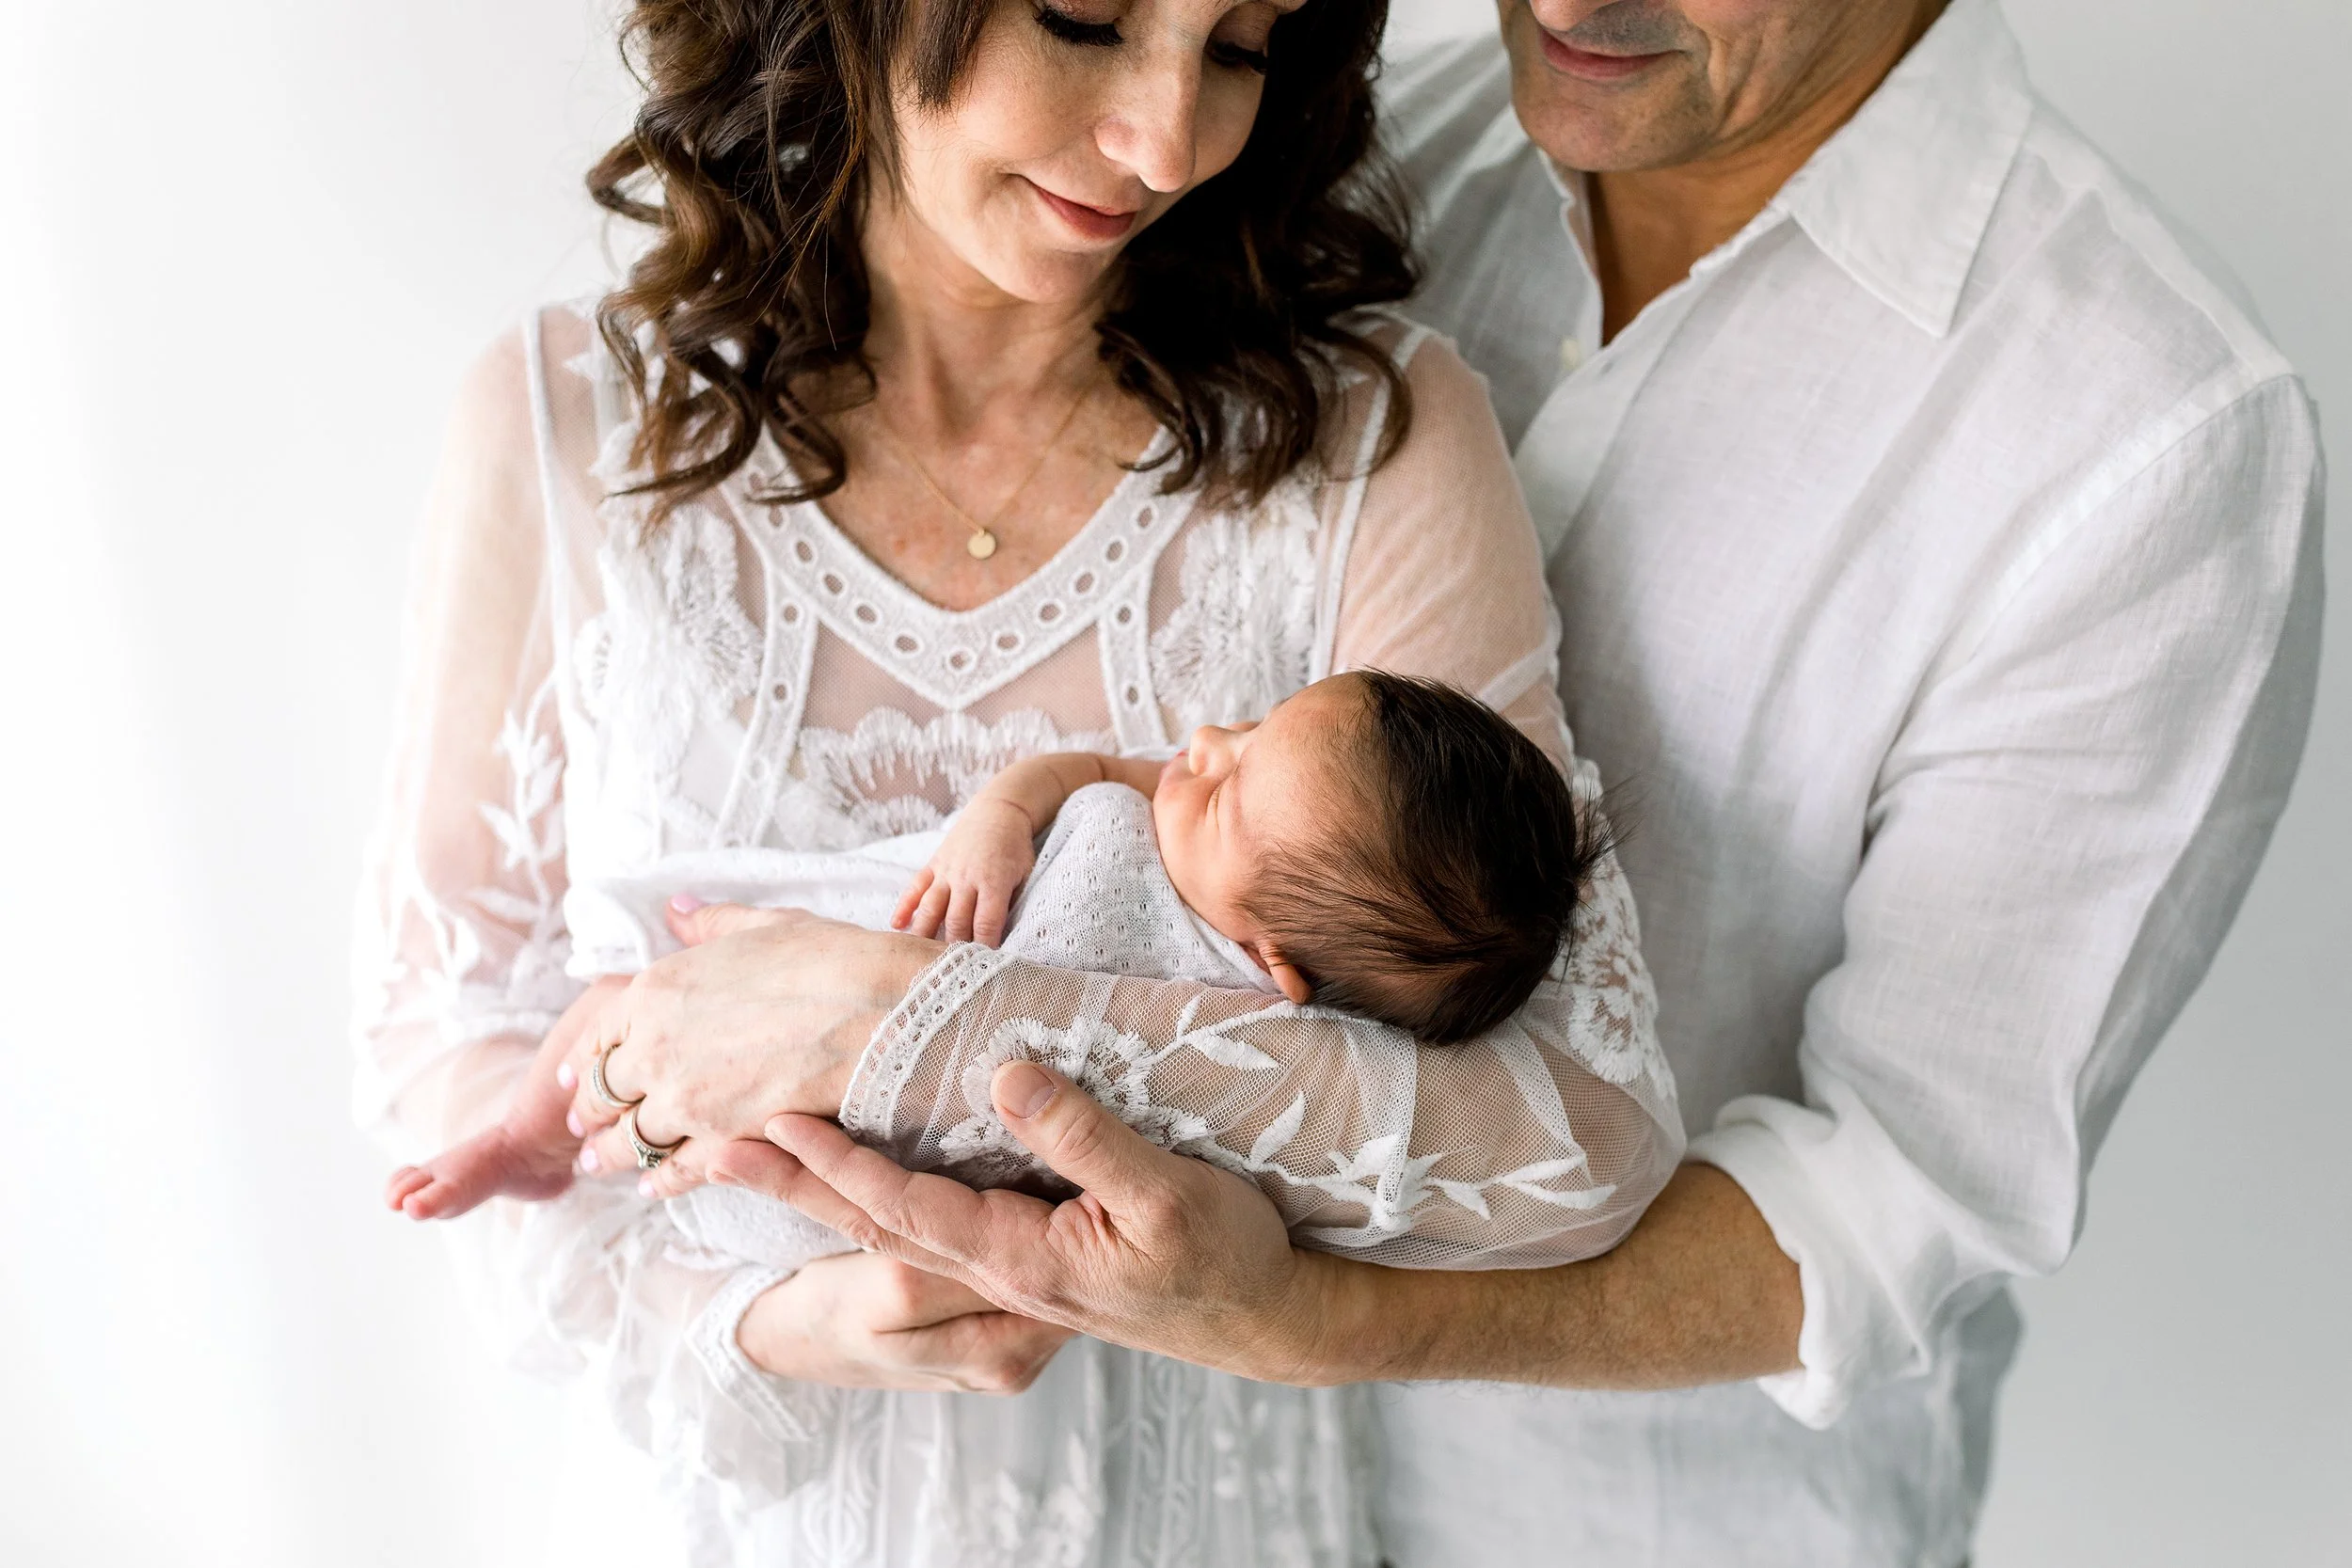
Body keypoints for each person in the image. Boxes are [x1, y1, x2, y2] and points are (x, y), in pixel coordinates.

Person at [608, 0, 2325, 1563]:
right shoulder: (1310, 178)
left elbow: (1896, 1190)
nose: (1568, 1)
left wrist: (1301, 1314)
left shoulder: (2150, 431)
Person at [354, 0, 1680, 1560]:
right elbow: (439, 1034)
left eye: (1243, 46)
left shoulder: (1372, 438)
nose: (1169, 137)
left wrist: (910, 1024)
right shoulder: (570, 418)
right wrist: (769, 1321)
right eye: (1086, 18)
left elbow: (1578, 1136)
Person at [383, 671, 1604, 1219]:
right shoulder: (1162, 808)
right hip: (876, 921)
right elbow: (1082, 767)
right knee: (629, 996)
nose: (1201, 746)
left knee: (740, 1145)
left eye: (1228, 789)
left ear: (1272, 960)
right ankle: (522, 1136)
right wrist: (1000, 817)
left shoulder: (1233, 1028)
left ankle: (621, 1153)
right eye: (1249, 724)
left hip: (897, 1127)